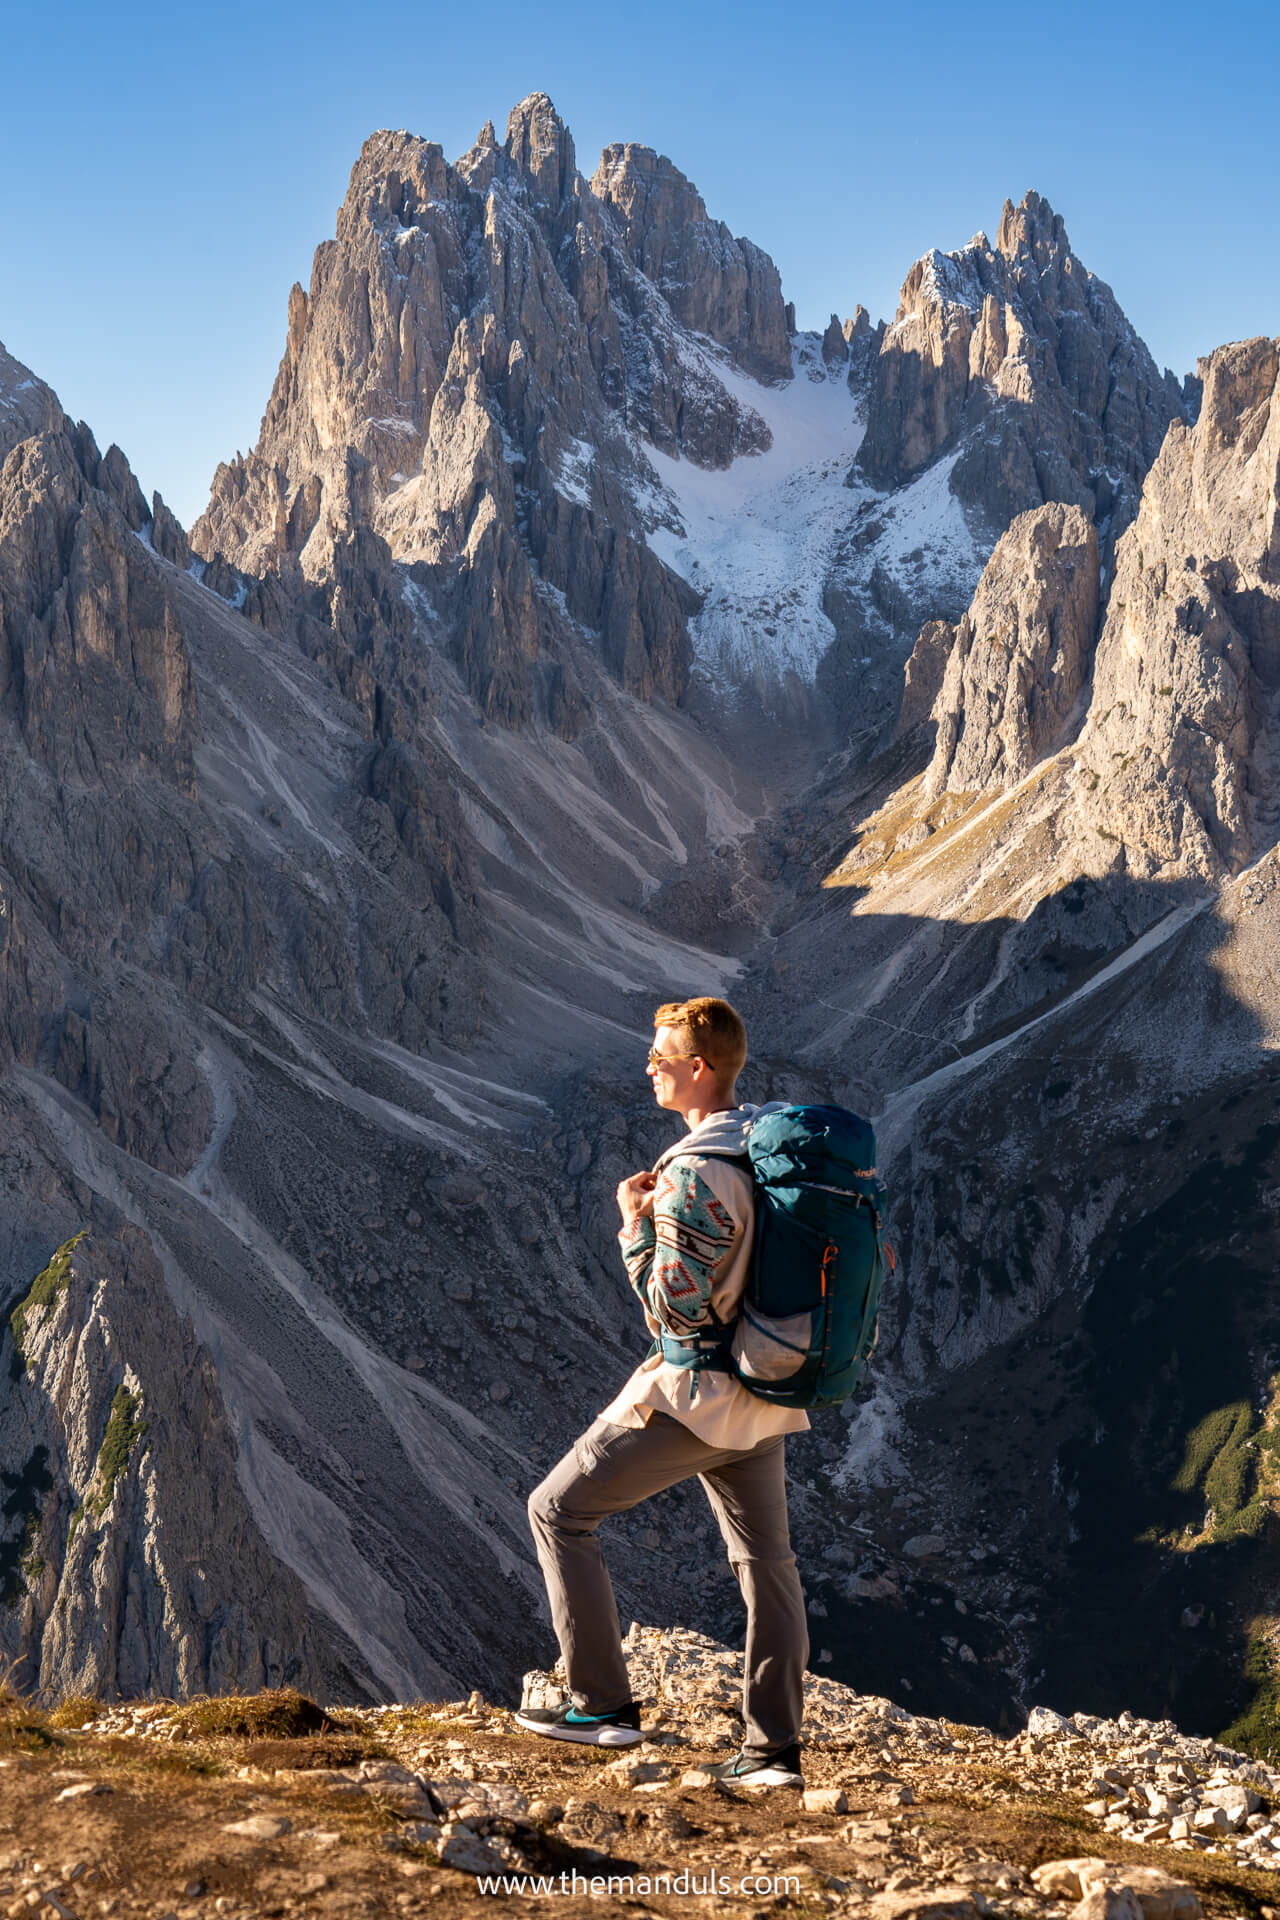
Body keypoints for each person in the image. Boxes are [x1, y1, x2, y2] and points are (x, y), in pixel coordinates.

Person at [515, 996, 810, 1787]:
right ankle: (773, 1751)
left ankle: (601, 1706)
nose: (650, 1067)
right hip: (765, 1392)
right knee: (766, 1563)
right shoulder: (762, 1149)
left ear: (699, 1067)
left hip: (695, 1395)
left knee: (557, 1511)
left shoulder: (697, 1171)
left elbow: (671, 1306)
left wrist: (634, 1224)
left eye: (662, 1056)